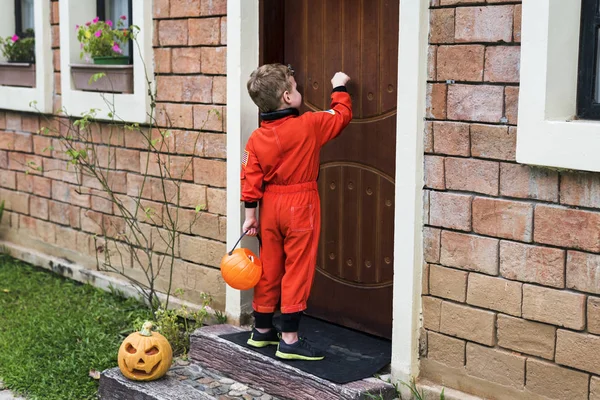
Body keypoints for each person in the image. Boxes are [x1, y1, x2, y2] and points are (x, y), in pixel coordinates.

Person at [240, 63, 352, 361]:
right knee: (297, 268)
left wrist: (251, 215)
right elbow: (341, 117)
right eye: (296, 87)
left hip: (270, 206)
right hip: (300, 203)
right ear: (288, 97)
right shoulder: (310, 125)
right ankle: (289, 338)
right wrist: (339, 86)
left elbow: (249, 177)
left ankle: (262, 330)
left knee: (270, 266)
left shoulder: (255, 139)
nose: (299, 90)